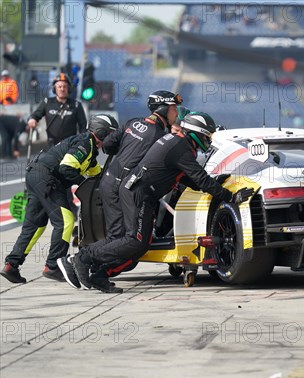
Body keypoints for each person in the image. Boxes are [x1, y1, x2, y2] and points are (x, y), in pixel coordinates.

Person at [58, 113, 255, 293]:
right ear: (196, 134)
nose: (207, 141)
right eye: (206, 137)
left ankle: (100, 275)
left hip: (139, 191)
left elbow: (188, 179)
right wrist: (230, 197)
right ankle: (82, 258)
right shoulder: (182, 148)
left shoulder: (177, 142)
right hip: (138, 193)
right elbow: (199, 178)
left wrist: (215, 184)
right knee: (133, 240)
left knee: (141, 245)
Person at [1, 114, 119, 284]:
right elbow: (66, 169)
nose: (112, 139)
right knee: (65, 222)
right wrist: (82, 183)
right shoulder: (85, 144)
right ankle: (53, 266)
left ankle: (11, 266)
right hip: (47, 178)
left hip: (36, 174)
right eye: (110, 134)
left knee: (35, 226)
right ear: (100, 132)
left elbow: (97, 176)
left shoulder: (90, 152)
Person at [99, 90, 183, 240]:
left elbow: (107, 145)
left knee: (119, 237)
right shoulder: (163, 138)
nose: (176, 113)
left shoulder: (132, 122)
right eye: (174, 108)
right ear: (162, 109)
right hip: (122, 188)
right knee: (121, 240)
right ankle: (82, 262)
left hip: (109, 181)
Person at [27, 73, 87, 149]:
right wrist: (32, 119)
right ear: (54, 88)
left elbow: (83, 126)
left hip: (70, 145)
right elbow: (36, 114)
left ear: (69, 88)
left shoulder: (76, 105)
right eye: (59, 86)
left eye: (65, 86)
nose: (62, 89)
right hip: (52, 145)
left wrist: (82, 142)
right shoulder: (47, 102)